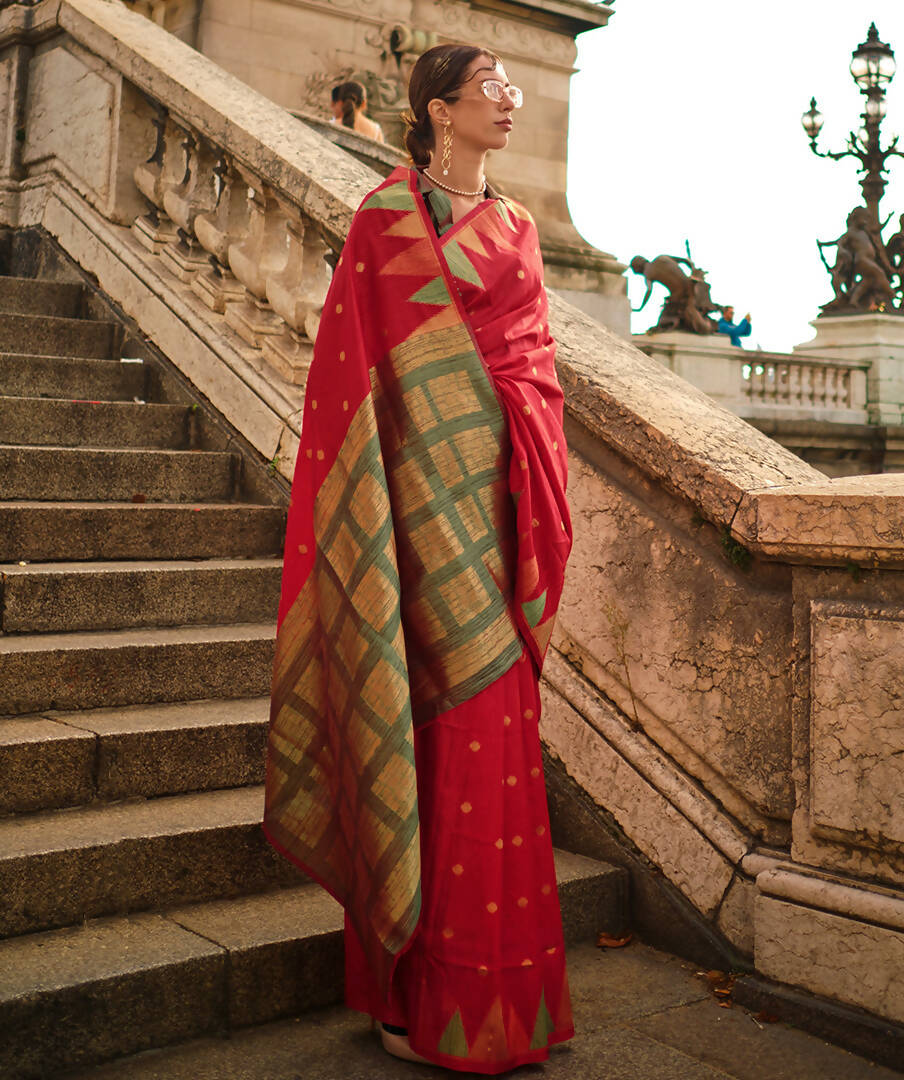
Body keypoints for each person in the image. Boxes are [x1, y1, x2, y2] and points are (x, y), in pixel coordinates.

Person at [265, 43, 574, 1074]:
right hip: (399, 518)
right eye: (491, 86)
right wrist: (386, 498)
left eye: (513, 86)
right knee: (410, 728)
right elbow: (346, 383)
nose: (510, 100)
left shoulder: (523, 229)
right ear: (439, 109)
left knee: (489, 736)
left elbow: (535, 366)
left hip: (492, 513)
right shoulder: (383, 221)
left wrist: (502, 432)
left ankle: (495, 1006)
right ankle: (410, 994)